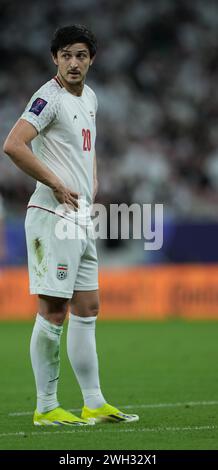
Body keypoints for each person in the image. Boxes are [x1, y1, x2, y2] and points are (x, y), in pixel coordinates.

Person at [3, 24, 139, 426]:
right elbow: (13, 144)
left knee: (87, 308)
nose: (74, 62)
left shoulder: (91, 98)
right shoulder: (49, 97)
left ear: (91, 59)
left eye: (81, 55)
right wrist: (58, 183)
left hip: (80, 217)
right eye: (66, 55)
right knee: (53, 310)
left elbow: (88, 144)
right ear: (55, 59)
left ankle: (93, 402)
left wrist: (91, 181)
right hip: (51, 215)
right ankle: (46, 407)